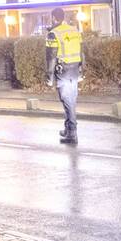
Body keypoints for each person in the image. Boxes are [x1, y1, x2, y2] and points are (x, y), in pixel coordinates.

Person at [45, 7, 83, 144]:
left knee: (68, 102)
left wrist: (49, 78)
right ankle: (68, 129)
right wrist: (81, 71)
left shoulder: (53, 34)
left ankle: (72, 133)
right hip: (74, 69)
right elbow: (81, 51)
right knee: (70, 100)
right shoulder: (74, 30)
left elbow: (51, 57)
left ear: (54, 18)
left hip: (63, 71)